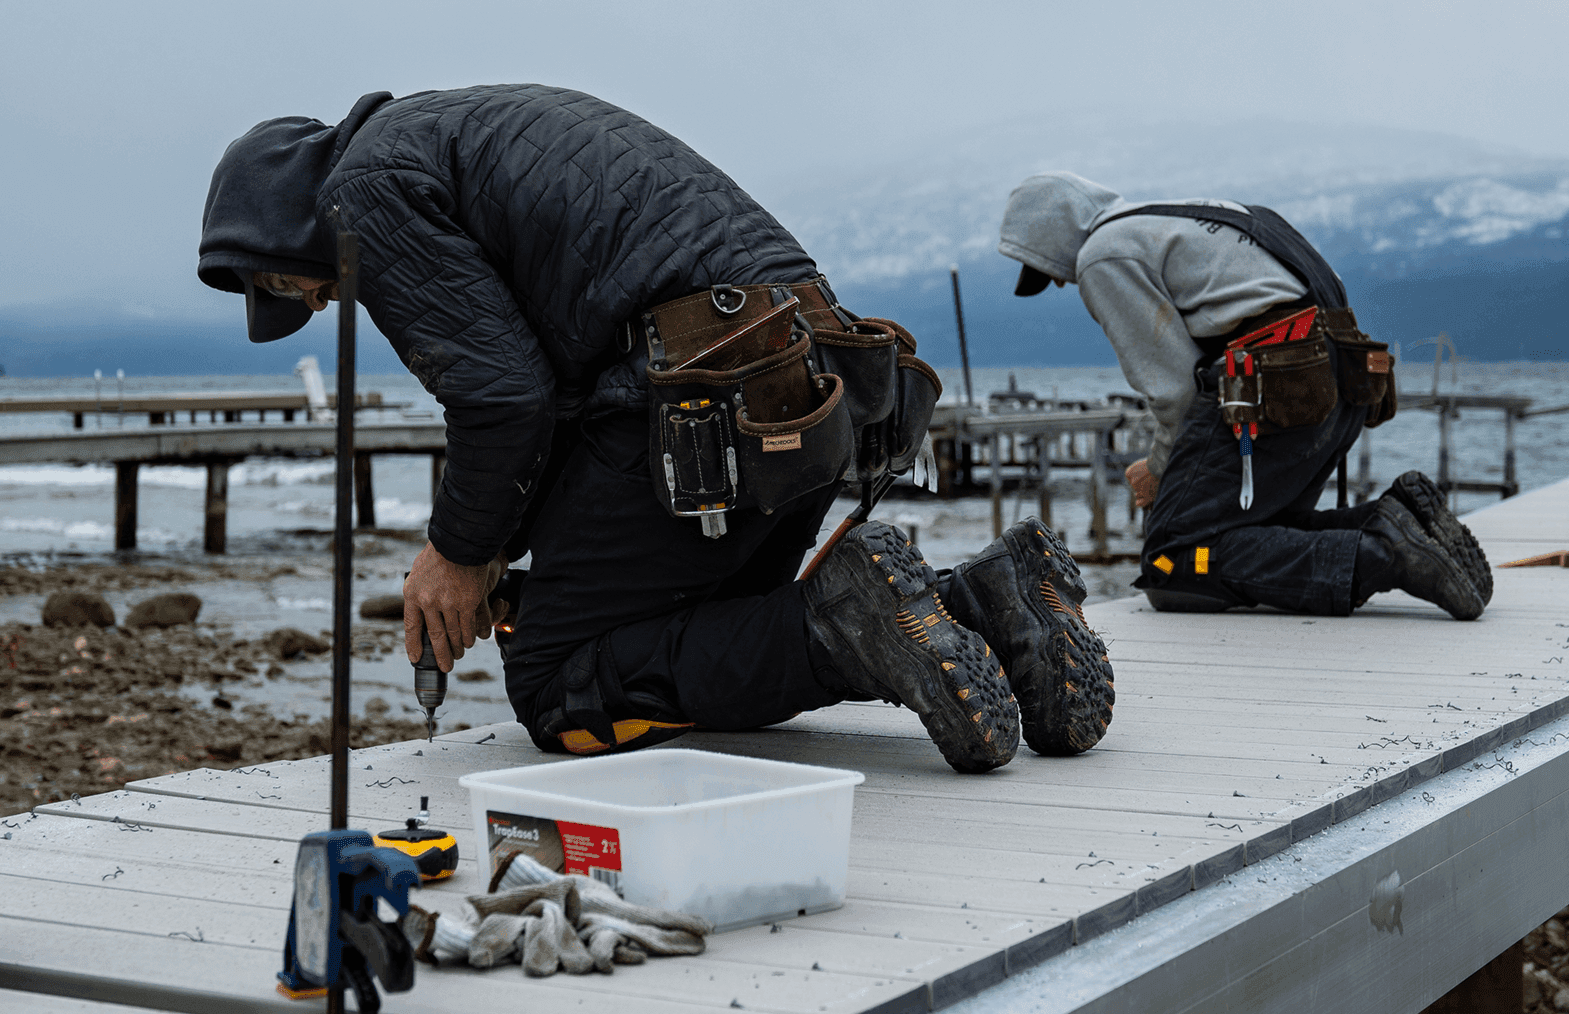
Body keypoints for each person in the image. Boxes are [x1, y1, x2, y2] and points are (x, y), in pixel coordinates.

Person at [198, 85, 1114, 772]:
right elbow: (552, 388)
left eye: (281, 282)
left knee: (556, 683)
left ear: (280, 213)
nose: (314, 302)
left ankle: (850, 627)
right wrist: (503, 549)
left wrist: (456, 551)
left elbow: (502, 400)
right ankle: (993, 602)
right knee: (715, 629)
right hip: (801, 382)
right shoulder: (453, 131)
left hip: (697, 395)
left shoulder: (362, 192)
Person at [997, 172, 1492, 620]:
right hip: (1347, 373)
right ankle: (1398, 519)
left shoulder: (1104, 254)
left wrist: (1160, 468)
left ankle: (1385, 553)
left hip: (1277, 381)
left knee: (1173, 565)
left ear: (1055, 235)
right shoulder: (1190, 215)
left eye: (1046, 267)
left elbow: (1174, 389)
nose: (1058, 280)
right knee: (1265, 525)